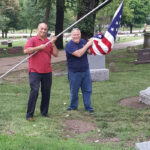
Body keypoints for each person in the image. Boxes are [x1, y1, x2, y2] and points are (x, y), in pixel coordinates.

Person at [24, 22, 58, 121]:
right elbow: (26, 51)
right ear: (37, 29)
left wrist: (53, 43)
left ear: (47, 31)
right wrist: (39, 47)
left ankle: (44, 112)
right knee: (34, 91)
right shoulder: (33, 40)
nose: (43, 31)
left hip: (47, 71)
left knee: (46, 92)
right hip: (35, 71)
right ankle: (29, 115)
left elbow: (56, 54)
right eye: (41, 29)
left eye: (45, 29)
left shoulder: (48, 41)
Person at [65, 28, 94, 113]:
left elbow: (89, 52)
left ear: (80, 35)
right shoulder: (69, 45)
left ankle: (88, 107)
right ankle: (73, 106)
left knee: (87, 90)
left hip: (85, 70)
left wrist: (92, 44)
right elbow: (79, 54)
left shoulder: (83, 42)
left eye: (78, 34)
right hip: (74, 72)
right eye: (74, 34)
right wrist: (87, 44)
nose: (76, 36)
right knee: (74, 90)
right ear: (71, 36)